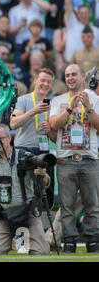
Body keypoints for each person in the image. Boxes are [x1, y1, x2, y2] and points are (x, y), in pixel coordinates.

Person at [0, 123, 51, 255]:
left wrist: (42, 174)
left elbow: (45, 182)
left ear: (9, 138)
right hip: (2, 214)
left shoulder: (25, 156)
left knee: (41, 252)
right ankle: (13, 240)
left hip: (27, 212)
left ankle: (24, 239)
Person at [48, 64, 99, 253]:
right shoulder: (59, 100)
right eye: (67, 75)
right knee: (67, 205)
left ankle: (92, 240)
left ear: (82, 78)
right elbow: (53, 124)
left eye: (74, 74)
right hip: (65, 159)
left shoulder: (95, 99)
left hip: (90, 159)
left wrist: (88, 107)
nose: (70, 78)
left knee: (92, 205)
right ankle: (69, 240)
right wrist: (70, 108)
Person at [10, 68, 57, 209]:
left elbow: (56, 139)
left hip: (43, 152)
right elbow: (13, 123)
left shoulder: (53, 104)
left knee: (44, 195)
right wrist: (34, 111)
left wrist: (49, 131)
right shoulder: (23, 100)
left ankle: (40, 226)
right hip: (23, 150)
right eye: (42, 80)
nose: (45, 84)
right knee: (22, 193)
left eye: (48, 82)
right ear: (35, 80)